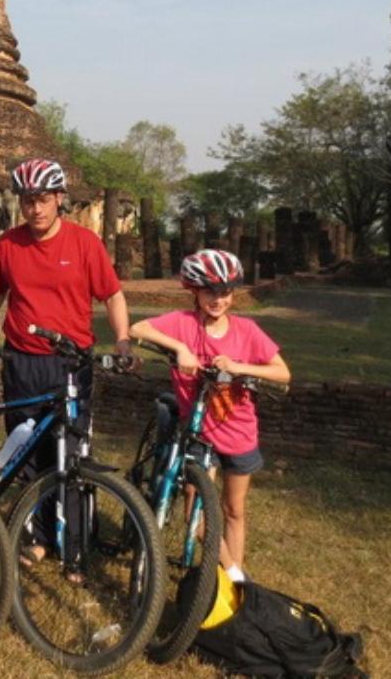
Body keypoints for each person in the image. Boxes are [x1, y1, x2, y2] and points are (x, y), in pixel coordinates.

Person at [0, 157, 133, 569]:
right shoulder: (8, 244)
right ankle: (37, 536)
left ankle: (74, 547)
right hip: (22, 361)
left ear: (60, 199)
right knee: (28, 451)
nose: (35, 209)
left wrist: (124, 340)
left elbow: (112, 295)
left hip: (70, 364)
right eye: (27, 201)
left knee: (71, 455)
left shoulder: (84, 244)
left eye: (42, 199)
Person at [129, 248, 290, 584]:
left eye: (225, 292)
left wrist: (238, 367)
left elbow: (283, 373)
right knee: (195, 510)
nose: (218, 300)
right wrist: (179, 348)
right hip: (200, 432)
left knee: (234, 510)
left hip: (240, 432)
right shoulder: (183, 324)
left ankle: (230, 581)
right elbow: (137, 328)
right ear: (195, 292)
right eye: (210, 292)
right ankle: (235, 574)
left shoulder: (246, 330)